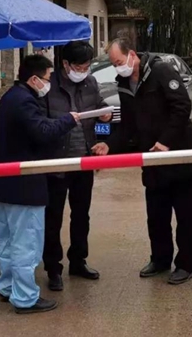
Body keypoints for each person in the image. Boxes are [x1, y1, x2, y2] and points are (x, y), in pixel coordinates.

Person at [92, 38, 192, 285]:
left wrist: (166, 141)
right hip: (152, 159)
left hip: (179, 155)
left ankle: (186, 264)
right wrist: (109, 145)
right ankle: (160, 259)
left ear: (132, 54)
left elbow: (182, 106)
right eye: (114, 64)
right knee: (156, 215)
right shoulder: (124, 84)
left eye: (119, 62)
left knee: (186, 215)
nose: (118, 67)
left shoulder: (161, 71)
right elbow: (128, 126)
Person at [0, 54, 80, 314]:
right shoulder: (24, 101)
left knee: (7, 242)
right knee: (25, 243)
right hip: (25, 185)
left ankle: (7, 287)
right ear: (34, 79)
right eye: (48, 78)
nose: (49, 83)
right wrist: (68, 120)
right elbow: (42, 132)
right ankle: (25, 297)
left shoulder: (10, 97)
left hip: (7, 183)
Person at [42, 41, 111, 291]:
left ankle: (78, 260)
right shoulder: (49, 86)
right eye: (79, 67)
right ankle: (53, 268)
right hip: (57, 162)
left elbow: (102, 114)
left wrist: (104, 122)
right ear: (65, 64)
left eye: (86, 66)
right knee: (53, 217)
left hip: (84, 160)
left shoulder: (90, 83)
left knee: (81, 214)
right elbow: (41, 124)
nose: (83, 71)